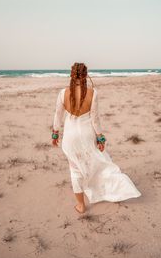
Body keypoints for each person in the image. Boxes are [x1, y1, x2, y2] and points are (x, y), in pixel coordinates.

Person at [52, 62, 141, 214]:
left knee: (75, 170)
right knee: (101, 163)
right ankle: (115, 188)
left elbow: (58, 115)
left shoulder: (63, 93)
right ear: (86, 75)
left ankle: (81, 205)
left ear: (71, 75)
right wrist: (100, 138)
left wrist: (55, 133)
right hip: (87, 135)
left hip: (70, 137)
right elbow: (95, 119)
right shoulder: (93, 93)